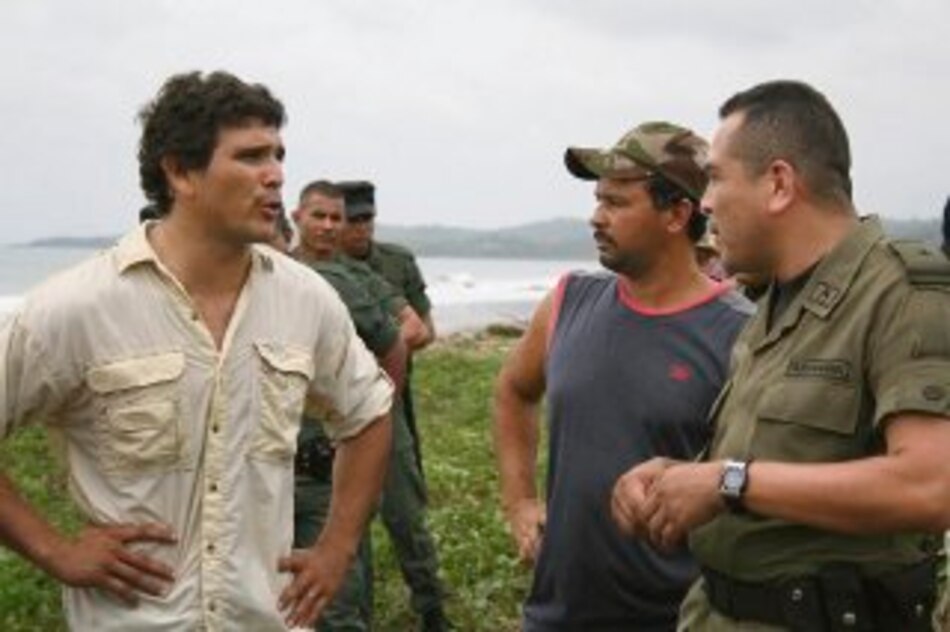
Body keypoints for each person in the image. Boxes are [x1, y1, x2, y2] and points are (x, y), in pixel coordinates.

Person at [0, 71, 394, 631]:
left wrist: (337, 548)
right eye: (251, 156)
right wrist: (55, 550)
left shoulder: (305, 298)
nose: (276, 176)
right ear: (181, 171)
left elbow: (369, 412)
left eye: (279, 155)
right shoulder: (79, 308)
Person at [611, 80, 950, 632]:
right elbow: (777, 458)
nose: (706, 202)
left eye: (717, 177)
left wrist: (727, 482)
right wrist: (681, 480)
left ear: (778, 184)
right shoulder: (773, 302)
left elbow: (931, 485)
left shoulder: (901, 292)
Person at [493, 121, 753, 630]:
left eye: (616, 203)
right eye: (597, 200)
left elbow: (754, 482)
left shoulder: (740, 334)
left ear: (678, 213)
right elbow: (513, 392)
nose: (596, 217)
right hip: (556, 615)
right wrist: (520, 502)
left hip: (677, 617)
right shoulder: (569, 301)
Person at [291, 179, 407, 631]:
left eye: (334, 217)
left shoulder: (343, 281)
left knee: (337, 604)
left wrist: (373, 414)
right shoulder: (270, 272)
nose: (327, 226)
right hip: (274, 470)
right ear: (297, 216)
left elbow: (398, 342)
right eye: (318, 215)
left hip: (325, 467)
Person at [337, 181, 450, 631]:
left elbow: (423, 329)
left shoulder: (394, 263)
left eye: (368, 218)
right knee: (347, 515)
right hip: (338, 410)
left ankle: (432, 610)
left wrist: (373, 349)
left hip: (389, 400)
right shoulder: (320, 269)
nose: (361, 228)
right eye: (352, 219)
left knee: (406, 513)